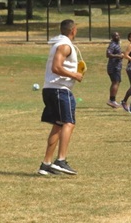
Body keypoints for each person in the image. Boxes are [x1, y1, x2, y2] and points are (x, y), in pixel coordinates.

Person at [38, 19, 83, 176]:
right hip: (59, 90)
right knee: (68, 123)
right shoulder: (64, 46)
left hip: (51, 89)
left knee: (58, 125)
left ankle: (46, 164)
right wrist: (75, 75)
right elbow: (56, 67)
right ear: (73, 30)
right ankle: (61, 161)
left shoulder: (60, 43)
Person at [106, 32, 124, 108]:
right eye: (115, 36)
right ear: (112, 37)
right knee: (115, 82)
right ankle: (112, 100)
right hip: (113, 67)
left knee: (116, 82)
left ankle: (112, 100)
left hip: (117, 67)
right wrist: (119, 56)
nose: (118, 36)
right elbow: (108, 54)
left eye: (118, 35)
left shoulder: (117, 44)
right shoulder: (112, 44)